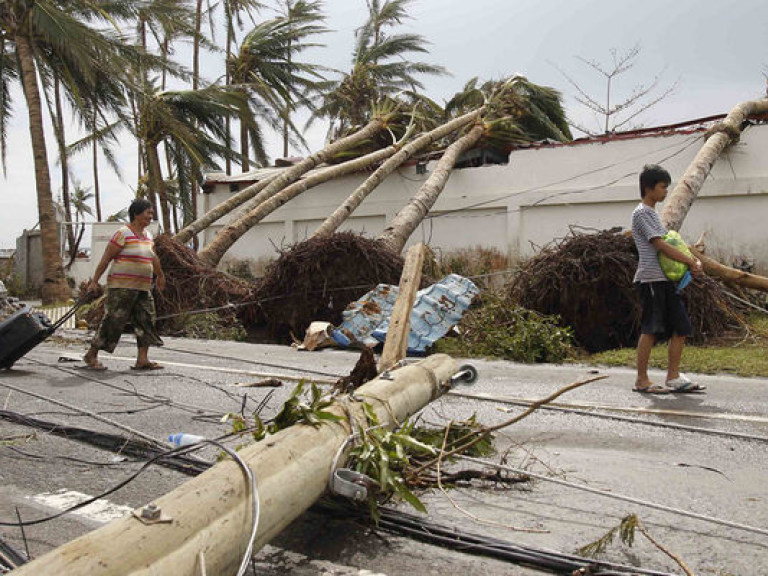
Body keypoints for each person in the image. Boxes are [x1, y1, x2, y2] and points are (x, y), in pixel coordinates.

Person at [631, 164, 705, 394]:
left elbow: (672, 244)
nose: (665, 192)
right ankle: (641, 380)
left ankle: (673, 377)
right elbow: (660, 245)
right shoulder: (641, 213)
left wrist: (692, 262)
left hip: (664, 280)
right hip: (651, 279)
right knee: (651, 328)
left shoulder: (653, 214)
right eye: (663, 187)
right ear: (649, 187)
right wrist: (690, 262)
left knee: (681, 326)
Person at [82, 199, 166, 370]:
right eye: (147, 213)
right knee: (114, 320)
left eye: (151, 213)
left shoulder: (148, 236)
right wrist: (94, 281)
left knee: (147, 320)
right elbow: (106, 258)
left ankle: (142, 359)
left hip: (143, 287)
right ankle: (91, 355)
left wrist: (160, 276)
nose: (151, 216)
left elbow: (153, 258)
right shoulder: (123, 233)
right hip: (121, 287)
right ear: (136, 214)